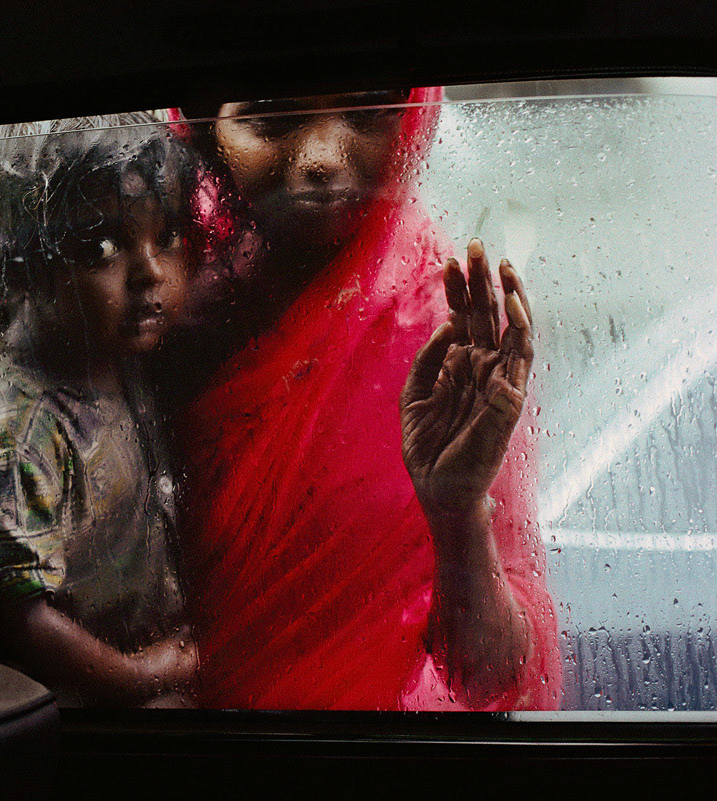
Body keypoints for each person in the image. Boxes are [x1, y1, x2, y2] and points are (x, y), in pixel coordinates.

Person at [161, 89, 562, 710]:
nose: (323, 156)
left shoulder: (448, 335)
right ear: (202, 131)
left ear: (411, 120)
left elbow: (491, 679)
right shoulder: (146, 292)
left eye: (368, 113)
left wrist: (457, 514)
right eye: (270, 119)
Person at [0, 115, 199, 707]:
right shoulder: (23, 431)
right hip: (68, 711)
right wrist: (140, 677)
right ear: (15, 266)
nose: (151, 272)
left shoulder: (105, 348)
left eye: (167, 235)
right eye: (101, 248)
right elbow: (14, 617)